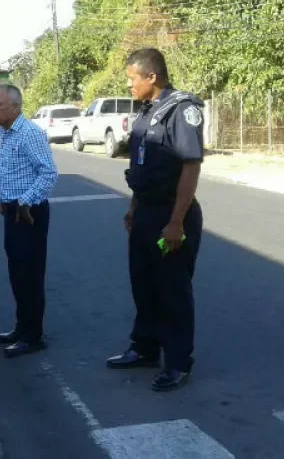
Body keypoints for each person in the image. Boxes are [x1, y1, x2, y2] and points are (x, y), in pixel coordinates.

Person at [106, 48, 204, 392]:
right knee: (144, 284)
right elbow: (142, 167)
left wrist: (176, 222)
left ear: (152, 77)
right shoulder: (147, 111)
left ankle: (178, 362)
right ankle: (145, 348)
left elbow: (190, 167)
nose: (129, 84)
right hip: (147, 210)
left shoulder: (182, 110)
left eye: (132, 78)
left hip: (171, 213)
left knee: (172, 290)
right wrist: (134, 207)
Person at [0, 84, 58, 358]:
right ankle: (22, 327)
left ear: (15, 108)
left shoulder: (29, 133)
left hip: (28, 213)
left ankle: (33, 336)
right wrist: (1, 196)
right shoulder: (5, 132)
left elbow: (48, 173)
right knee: (17, 272)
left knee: (29, 274)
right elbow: (10, 169)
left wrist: (25, 201)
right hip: (12, 209)